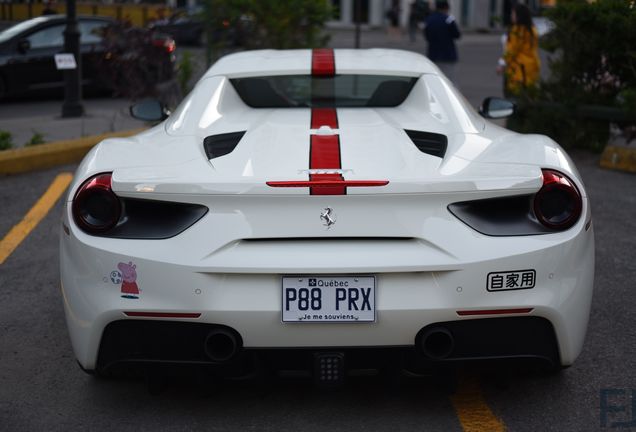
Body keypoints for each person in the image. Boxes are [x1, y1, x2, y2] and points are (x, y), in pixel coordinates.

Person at [497, 3, 540, 96]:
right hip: (531, 66)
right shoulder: (532, 30)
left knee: (513, 96)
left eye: (513, 13)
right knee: (527, 94)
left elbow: (512, 50)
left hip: (518, 68)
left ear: (519, 15)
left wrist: (502, 64)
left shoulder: (518, 31)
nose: (511, 16)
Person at [424, 0, 461, 84]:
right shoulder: (449, 19)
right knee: (449, 81)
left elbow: (426, 36)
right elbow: (457, 35)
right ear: (446, 7)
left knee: (435, 79)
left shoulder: (429, 19)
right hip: (448, 54)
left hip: (433, 54)